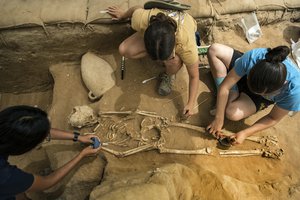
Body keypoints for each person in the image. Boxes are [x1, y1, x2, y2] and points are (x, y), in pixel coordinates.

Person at [107, 5, 199, 117]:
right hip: (157, 32)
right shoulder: (141, 19)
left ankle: (169, 75)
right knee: (124, 50)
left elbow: (194, 76)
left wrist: (191, 103)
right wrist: (123, 15)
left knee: (174, 62)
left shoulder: (186, 44)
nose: (160, 61)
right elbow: (136, 8)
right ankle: (160, 54)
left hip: (183, 30)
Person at [0, 105, 101, 200]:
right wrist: (81, 155)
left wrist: (78, 137)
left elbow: (38, 129)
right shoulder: (6, 177)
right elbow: (47, 182)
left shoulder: (4, 126)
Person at [206, 43, 300, 144]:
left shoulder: (294, 92)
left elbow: (273, 118)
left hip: (254, 97)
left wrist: (245, 133)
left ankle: (234, 93)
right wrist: (219, 118)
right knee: (214, 50)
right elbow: (225, 87)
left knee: (232, 113)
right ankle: (233, 91)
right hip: (242, 75)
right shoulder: (254, 57)